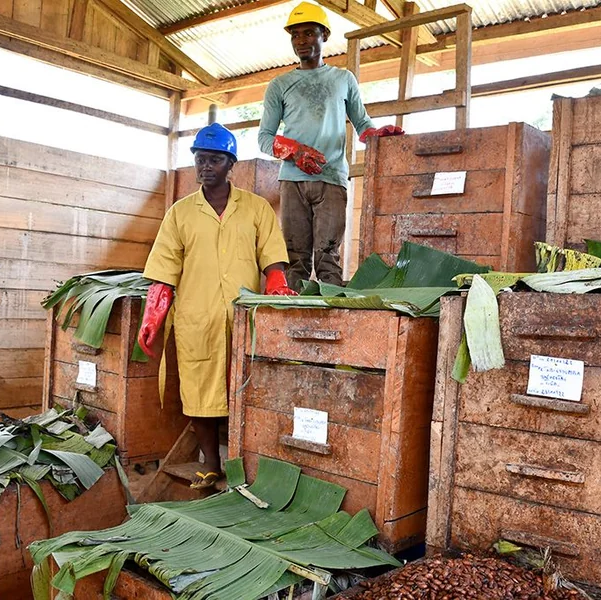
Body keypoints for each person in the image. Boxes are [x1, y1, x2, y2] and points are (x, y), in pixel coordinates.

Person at [137, 123, 296, 490]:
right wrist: (153, 315)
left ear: (231, 164)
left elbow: (273, 258)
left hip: (244, 318)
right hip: (198, 317)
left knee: (246, 390)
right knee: (199, 390)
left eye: (214, 159)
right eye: (200, 159)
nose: (205, 166)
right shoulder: (180, 213)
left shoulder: (256, 208)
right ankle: (211, 463)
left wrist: (276, 286)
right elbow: (164, 269)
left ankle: (248, 466)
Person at [258, 1, 404, 292]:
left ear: (324, 35)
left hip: (332, 178)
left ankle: (331, 318)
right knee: (295, 259)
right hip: (293, 181)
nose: (302, 41)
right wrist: (294, 151)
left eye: (309, 33)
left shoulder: (343, 79)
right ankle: (294, 319)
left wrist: (377, 135)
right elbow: (264, 138)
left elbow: (362, 124)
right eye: (296, 34)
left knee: (328, 257)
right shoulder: (279, 85)